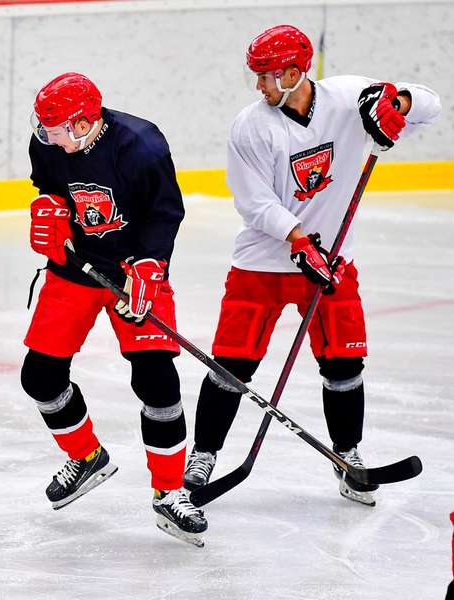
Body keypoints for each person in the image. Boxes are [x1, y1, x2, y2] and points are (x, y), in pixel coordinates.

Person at [183, 25, 441, 507]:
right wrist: (298, 238)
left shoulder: (348, 98)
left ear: (296, 72)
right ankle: (203, 453)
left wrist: (398, 104)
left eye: (266, 77)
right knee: (231, 367)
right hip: (261, 264)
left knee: (344, 364)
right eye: (255, 76)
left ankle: (348, 456)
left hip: (332, 262)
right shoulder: (251, 126)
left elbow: (431, 103)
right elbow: (253, 202)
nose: (258, 87)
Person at [21, 72, 206, 546]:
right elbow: (50, 187)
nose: (49, 139)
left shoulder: (141, 146)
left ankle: (169, 493)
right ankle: (86, 457)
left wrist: (150, 265)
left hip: (134, 271)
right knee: (39, 376)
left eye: (58, 130)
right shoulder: (47, 143)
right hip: (74, 271)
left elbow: (165, 212)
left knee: (156, 380)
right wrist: (49, 209)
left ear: (84, 124)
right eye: (46, 129)